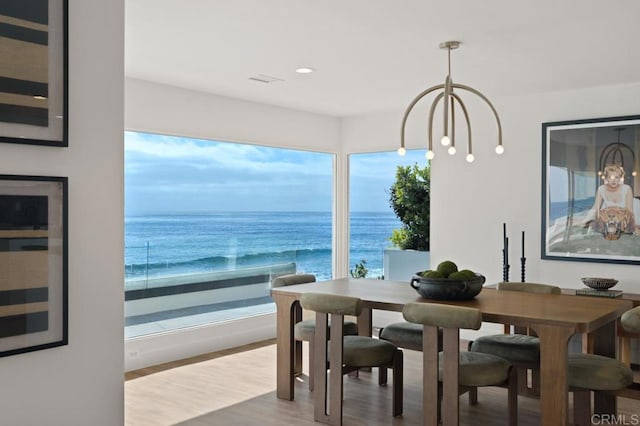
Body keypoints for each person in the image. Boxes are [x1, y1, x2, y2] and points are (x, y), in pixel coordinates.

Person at [583, 164, 637, 237]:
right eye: (610, 177)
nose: (613, 180)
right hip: (609, 220)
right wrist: (585, 221)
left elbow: (629, 211)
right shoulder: (601, 189)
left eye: (617, 177)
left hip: (623, 219)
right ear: (606, 178)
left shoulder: (627, 189)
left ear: (620, 178)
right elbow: (596, 207)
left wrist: (631, 226)